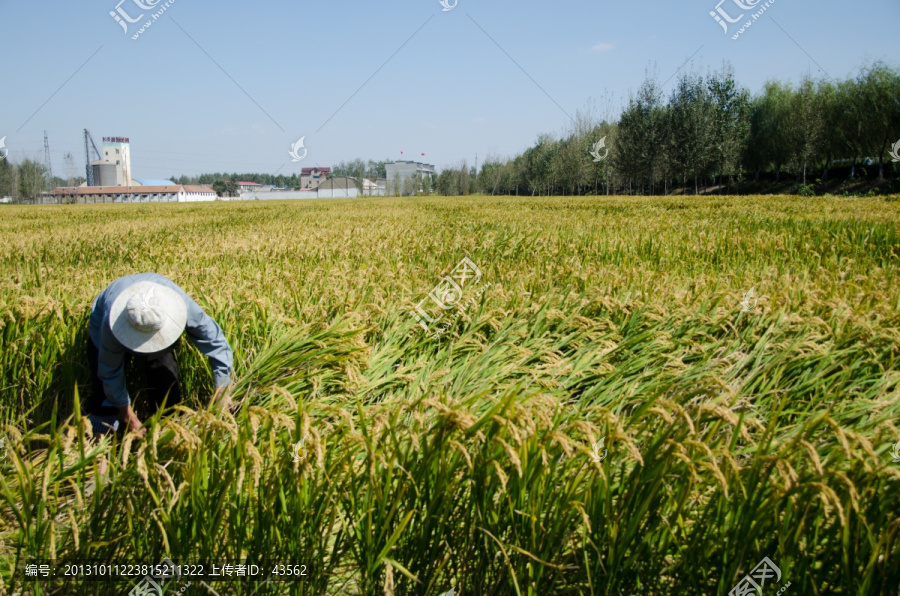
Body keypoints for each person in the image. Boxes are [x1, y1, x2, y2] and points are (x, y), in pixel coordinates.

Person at [86, 273, 234, 439]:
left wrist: (221, 388)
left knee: (166, 385)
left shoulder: (182, 305)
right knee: (103, 395)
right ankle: (99, 441)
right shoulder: (110, 324)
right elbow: (109, 371)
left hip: (156, 323)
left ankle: (167, 433)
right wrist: (129, 416)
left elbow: (216, 341)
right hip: (107, 320)